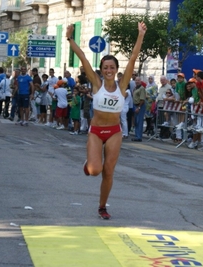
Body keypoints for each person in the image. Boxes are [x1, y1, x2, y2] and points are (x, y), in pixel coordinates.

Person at [66, 21, 147, 219]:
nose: (109, 70)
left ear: (116, 69)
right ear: (101, 69)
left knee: (108, 171)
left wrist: (141, 35)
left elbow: (134, 57)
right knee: (95, 170)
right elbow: (83, 57)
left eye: (112, 67)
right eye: (105, 67)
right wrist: (69, 38)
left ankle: (102, 207)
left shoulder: (122, 85)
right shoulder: (96, 83)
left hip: (114, 132)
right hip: (96, 131)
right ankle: (89, 164)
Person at [132, 76, 146, 141]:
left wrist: (139, 107)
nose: (137, 81)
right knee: (136, 122)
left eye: (138, 80)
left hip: (140, 105)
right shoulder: (135, 88)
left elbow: (142, 99)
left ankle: (139, 137)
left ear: (140, 81)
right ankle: (136, 135)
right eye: (136, 80)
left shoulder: (141, 88)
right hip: (135, 105)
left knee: (139, 121)